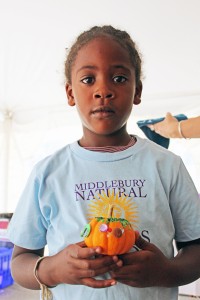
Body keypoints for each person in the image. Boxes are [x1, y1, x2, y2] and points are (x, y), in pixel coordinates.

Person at [7, 25, 200, 300]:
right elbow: (20, 261)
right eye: (88, 80)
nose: (103, 90)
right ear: (70, 93)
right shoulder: (48, 173)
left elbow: (195, 247)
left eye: (119, 78)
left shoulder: (166, 166)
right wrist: (52, 269)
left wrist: (166, 272)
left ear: (137, 90)